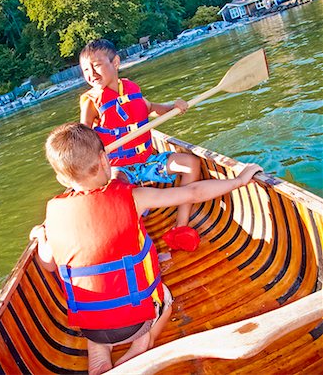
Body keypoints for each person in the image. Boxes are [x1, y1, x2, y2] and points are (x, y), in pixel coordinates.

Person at [30, 122, 262, 374]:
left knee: (97, 321)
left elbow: (48, 264)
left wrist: (42, 236)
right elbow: (193, 192)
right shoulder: (134, 196)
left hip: (91, 326)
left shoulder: (53, 212)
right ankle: (142, 344)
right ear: (105, 160)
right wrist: (239, 180)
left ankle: (99, 351)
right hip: (134, 324)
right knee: (165, 298)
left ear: (62, 178)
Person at [79, 39, 201, 247]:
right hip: (120, 168)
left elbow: (151, 107)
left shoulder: (131, 88)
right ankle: (133, 241)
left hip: (148, 160)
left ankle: (180, 227)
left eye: (97, 65)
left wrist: (174, 106)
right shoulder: (92, 102)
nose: (92, 73)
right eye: (85, 69)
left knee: (191, 164)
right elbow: (82, 137)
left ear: (115, 62)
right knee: (118, 192)